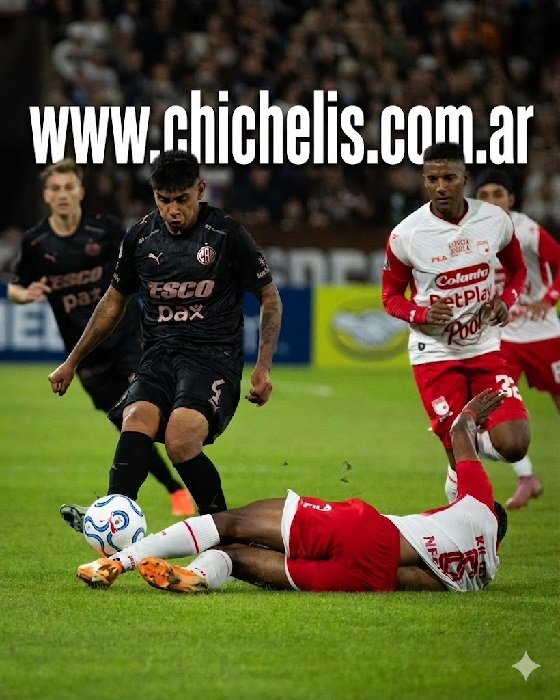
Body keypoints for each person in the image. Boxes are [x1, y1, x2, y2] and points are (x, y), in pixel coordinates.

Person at [76, 389, 508, 594]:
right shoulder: (481, 574)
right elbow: (409, 578)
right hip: (369, 581)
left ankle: (117, 561)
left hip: (367, 531)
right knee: (237, 558)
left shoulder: (479, 509)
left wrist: (470, 414)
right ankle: (200, 576)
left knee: (232, 523)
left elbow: (460, 435)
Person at [48, 150, 282, 529]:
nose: (173, 210)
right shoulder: (141, 237)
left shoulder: (227, 235)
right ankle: (113, 527)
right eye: (164, 200)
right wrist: (72, 362)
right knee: (135, 418)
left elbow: (270, 298)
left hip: (212, 358)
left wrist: (263, 366)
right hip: (158, 357)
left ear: (200, 190)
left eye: (182, 199)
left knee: (180, 437)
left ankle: (222, 536)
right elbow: (113, 302)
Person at [8, 159, 194, 519]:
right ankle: (174, 489)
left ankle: (132, 502)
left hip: (128, 338)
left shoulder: (105, 229)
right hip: (86, 356)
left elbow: (139, 261)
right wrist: (24, 294)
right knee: (129, 424)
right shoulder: (36, 242)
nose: (63, 194)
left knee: (140, 410)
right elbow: (15, 287)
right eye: (55, 189)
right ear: (46, 196)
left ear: (80, 191)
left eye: (68, 187)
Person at [381, 142, 531, 509]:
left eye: (449, 177)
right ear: (424, 181)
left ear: (465, 178)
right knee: (460, 457)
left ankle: (463, 441)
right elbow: (390, 296)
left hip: (484, 347)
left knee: (515, 444)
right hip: (434, 354)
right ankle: (462, 495)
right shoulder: (407, 235)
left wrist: (505, 300)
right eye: (432, 179)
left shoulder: (494, 220)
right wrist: (421, 315)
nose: (441, 187)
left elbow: (517, 270)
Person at [474, 169, 560, 508]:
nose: (491, 201)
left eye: (498, 194)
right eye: (483, 195)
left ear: (511, 199)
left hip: (545, 334)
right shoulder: (468, 235)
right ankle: (527, 477)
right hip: (503, 338)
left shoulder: (526, 229)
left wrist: (549, 298)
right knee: (496, 409)